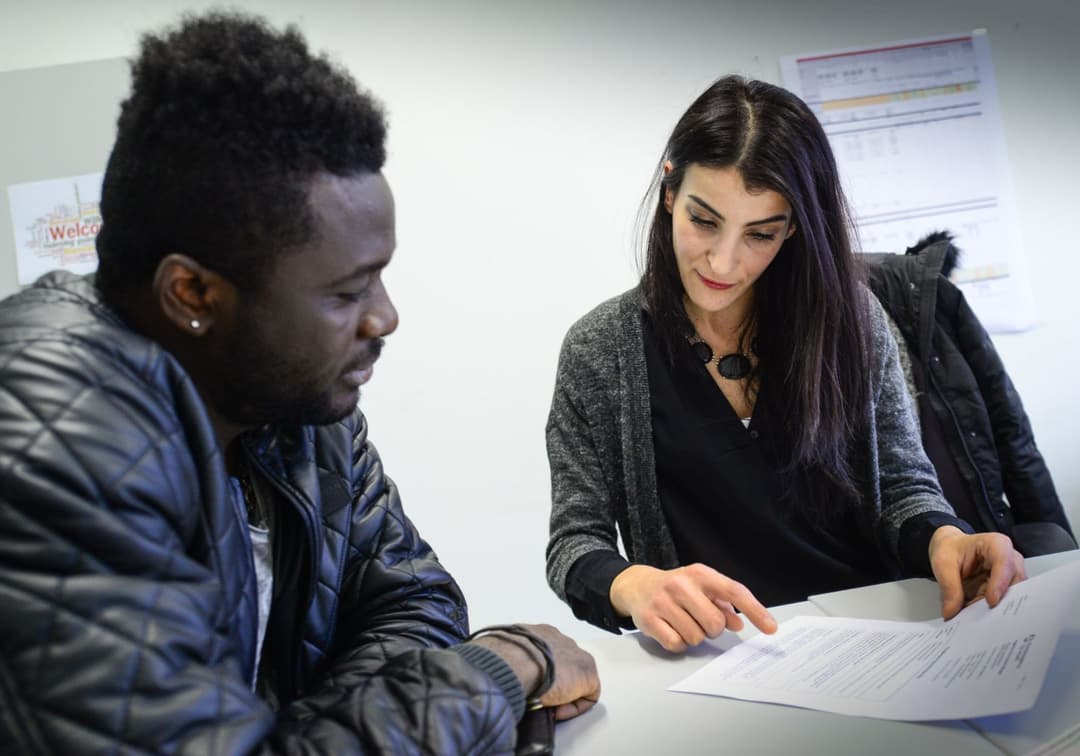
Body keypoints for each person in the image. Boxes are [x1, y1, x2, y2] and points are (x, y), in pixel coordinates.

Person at [0, 12, 598, 754]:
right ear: (193, 295)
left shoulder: (302, 405)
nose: (385, 318)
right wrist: (507, 665)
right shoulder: (49, 434)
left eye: (379, 279)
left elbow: (416, 602)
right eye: (348, 293)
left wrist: (310, 738)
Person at [545, 75, 1026, 653]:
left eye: (761, 234)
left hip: (878, 637)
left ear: (794, 226)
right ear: (669, 192)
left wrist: (944, 537)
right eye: (704, 220)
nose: (724, 261)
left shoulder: (853, 321)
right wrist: (633, 583)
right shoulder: (600, 350)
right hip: (715, 660)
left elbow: (903, 488)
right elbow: (573, 543)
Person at [865, 231, 1076, 556]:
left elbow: (1010, 427)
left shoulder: (916, 288)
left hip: (970, 525)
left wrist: (1061, 562)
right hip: (892, 549)